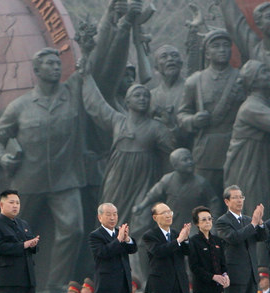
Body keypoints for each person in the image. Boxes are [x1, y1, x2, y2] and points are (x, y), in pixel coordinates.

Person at [0, 48, 85, 293]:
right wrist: (1, 157)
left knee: (74, 229)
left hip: (65, 180)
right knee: (13, 236)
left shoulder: (72, 95)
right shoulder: (20, 106)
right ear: (36, 70)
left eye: (58, 63)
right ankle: (6, 282)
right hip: (28, 181)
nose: (56, 67)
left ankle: (57, 284)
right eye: (50, 64)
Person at [81, 66, 174, 240]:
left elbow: (172, 153)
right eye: (137, 96)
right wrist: (86, 77)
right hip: (117, 178)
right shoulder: (118, 121)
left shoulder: (156, 128)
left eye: (146, 96)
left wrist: (171, 124)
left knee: (141, 221)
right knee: (111, 216)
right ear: (127, 101)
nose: (142, 99)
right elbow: (97, 105)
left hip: (144, 179)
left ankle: (136, 262)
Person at [177, 30, 245, 200]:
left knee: (235, 198)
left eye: (226, 46)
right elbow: (182, 115)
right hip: (205, 150)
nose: (222, 50)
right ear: (207, 53)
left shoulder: (241, 78)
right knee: (205, 198)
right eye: (216, 46)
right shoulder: (195, 81)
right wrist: (193, 120)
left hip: (235, 147)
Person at [224, 60, 270, 219]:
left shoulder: (263, 103)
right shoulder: (250, 107)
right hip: (250, 171)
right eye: (264, 72)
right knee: (259, 214)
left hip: (261, 168)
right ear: (254, 81)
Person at [215, 185, 267, 293]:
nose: (239, 200)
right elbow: (234, 238)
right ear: (227, 201)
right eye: (235, 197)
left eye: (241, 197)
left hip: (251, 274)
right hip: (235, 275)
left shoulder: (246, 220)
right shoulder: (223, 221)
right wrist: (253, 223)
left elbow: (261, 236)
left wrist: (260, 223)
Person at [132, 148, 222, 228]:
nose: (190, 162)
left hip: (193, 223)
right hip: (172, 221)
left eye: (190, 159)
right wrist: (141, 206)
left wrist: (212, 222)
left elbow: (213, 202)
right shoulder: (167, 180)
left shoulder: (201, 182)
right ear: (175, 165)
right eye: (185, 160)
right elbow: (153, 195)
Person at [89, 202, 137, 293]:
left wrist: (126, 239)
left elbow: (133, 248)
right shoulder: (95, 235)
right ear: (100, 217)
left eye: (115, 214)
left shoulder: (119, 233)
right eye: (108, 214)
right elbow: (103, 253)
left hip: (123, 285)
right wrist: (118, 240)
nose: (112, 217)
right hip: (106, 287)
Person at [143, 202, 190, 293]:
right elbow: (159, 252)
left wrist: (186, 239)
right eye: (164, 213)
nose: (168, 215)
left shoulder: (177, 233)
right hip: (163, 285)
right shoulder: (150, 235)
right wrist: (178, 241)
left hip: (179, 283)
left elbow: (187, 252)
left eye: (170, 212)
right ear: (155, 217)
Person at [189, 205, 229, 293]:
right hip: (202, 285)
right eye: (203, 220)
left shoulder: (217, 241)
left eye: (209, 219)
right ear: (197, 223)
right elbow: (194, 267)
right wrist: (212, 277)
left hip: (216, 287)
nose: (207, 222)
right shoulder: (194, 241)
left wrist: (225, 276)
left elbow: (223, 263)